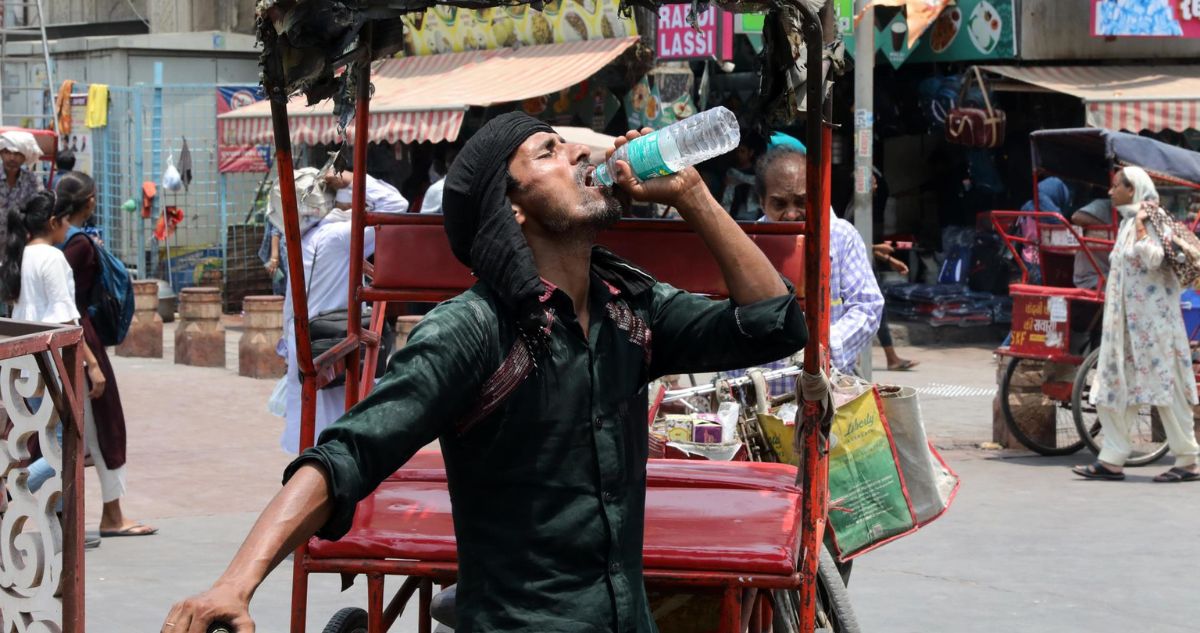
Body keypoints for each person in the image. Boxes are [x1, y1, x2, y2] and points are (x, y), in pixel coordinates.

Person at [162, 113, 806, 632]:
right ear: (515, 207)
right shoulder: (472, 331)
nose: (582, 158)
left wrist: (692, 194)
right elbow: (344, 457)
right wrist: (233, 583)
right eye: (550, 152)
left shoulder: (629, 311)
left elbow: (775, 323)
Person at [2, 191, 156, 539]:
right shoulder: (52, 259)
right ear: (54, 223)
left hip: (27, 364)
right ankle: (14, 486)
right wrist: (91, 364)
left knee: (52, 442)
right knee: (60, 449)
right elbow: (67, 319)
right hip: (51, 363)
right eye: (65, 221)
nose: (69, 227)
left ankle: (62, 524)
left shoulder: (20, 257)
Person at [1073, 167, 1200, 483]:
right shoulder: (1128, 222)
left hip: (1156, 326)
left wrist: (1143, 226)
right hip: (1126, 329)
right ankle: (1113, 459)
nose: (1110, 191)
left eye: (1116, 186)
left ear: (1133, 190)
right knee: (1116, 389)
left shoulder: (1152, 220)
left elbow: (1155, 259)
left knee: (1168, 393)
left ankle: (1188, 461)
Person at [277, 168, 409, 453]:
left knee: (311, 436)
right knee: (335, 437)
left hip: (307, 344)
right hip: (332, 345)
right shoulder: (336, 238)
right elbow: (397, 207)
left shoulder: (301, 240)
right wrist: (351, 177)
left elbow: (290, 304)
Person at [755, 146, 883, 380]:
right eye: (780, 204)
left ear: (816, 195)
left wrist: (823, 347)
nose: (792, 214)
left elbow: (868, 306)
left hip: (824, 386)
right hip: (758, 392)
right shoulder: (747, 244)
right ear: (762, 202)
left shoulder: (841, 236)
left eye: (801, 202)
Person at [1069, 198, 1113, 290]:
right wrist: (1109, 228)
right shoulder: (1103, 205)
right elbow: (1076, 217)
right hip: (1092, 278)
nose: (1111, 192)